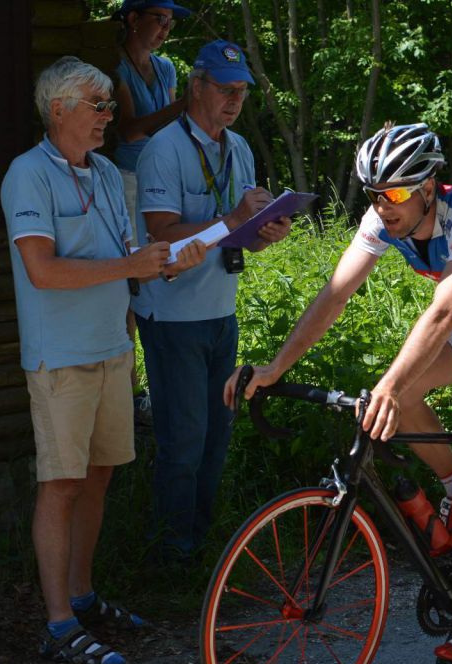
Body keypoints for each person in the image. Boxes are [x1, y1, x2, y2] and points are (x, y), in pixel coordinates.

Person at [226, 123, 452, 664]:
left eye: (392, 194)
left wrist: (391, 385)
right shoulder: (382, 220)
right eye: (372, 194)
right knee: (401, 393)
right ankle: (451, 490)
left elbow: (442, 312)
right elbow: (335, 294)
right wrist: (276, 366)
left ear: (426, 187)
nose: (381, 206)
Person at [0, 56, 204, 664]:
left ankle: (83, 597)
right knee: (60, 484)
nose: (109, 118)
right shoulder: (26, 175)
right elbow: (43, 270)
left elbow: (126, 254)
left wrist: (168, 258)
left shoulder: (112, 175)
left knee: (99, 476)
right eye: (98, 106)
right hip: (59, 357)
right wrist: (131, 267)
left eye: (110, 107)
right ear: (58, 109)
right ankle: (59, 625)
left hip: (113, 350)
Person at [134, 40, 293, 565]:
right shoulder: (164, 149)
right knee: (183, 441)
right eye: (225, 89)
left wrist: (267, 232)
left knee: (216, 438)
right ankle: (171, 555)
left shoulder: (240, 148)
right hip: (174, 317)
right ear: (195, 87)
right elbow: (162, 236)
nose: (234, 100)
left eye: (242, 91)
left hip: (220, 313)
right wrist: (231, 220)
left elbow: (238, 234)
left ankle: (202, 550)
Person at [111, 0, 191, 246]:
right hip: (128, 177)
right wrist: (185, 103)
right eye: (160, 19)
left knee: (166, 251)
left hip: (162, 175)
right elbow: (129, 131)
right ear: (134, 19)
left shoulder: (166, 68)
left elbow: (174, 123)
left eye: (171, 22)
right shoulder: (115, 66)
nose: (166, 29)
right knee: (136, 254)